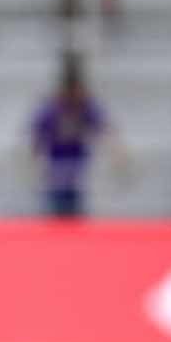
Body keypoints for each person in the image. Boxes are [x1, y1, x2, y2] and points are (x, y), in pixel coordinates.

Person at [30, 51, 109, 218]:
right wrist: (34, 156)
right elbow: (37, 133)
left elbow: (103, 129)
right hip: (56, 165)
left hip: (77, 165)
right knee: (57, 206)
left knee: (75, 207)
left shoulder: (85, 106)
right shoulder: (53, 108)